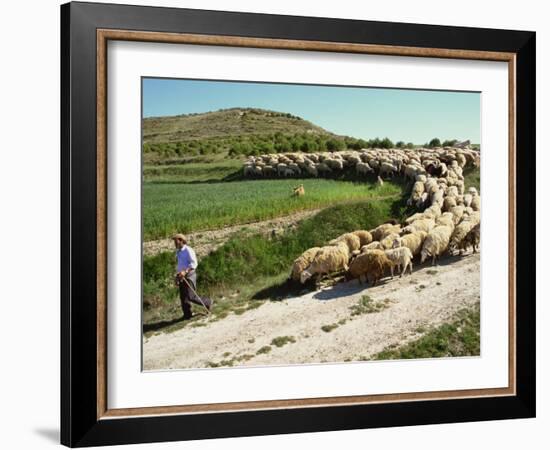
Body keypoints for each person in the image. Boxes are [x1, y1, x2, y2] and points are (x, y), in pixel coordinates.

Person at [172, 234, 212, 319]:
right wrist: (177, 275)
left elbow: (194, 263)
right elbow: (180, 264)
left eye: (176, 241)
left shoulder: (188, 250)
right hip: (181, 276)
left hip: (189, 275)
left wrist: (185, 271)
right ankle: (187, 315)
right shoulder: (178, 251)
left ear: (181, 240)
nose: (174, 243)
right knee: (183, 297)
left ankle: (208, 302)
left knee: (191, 296)